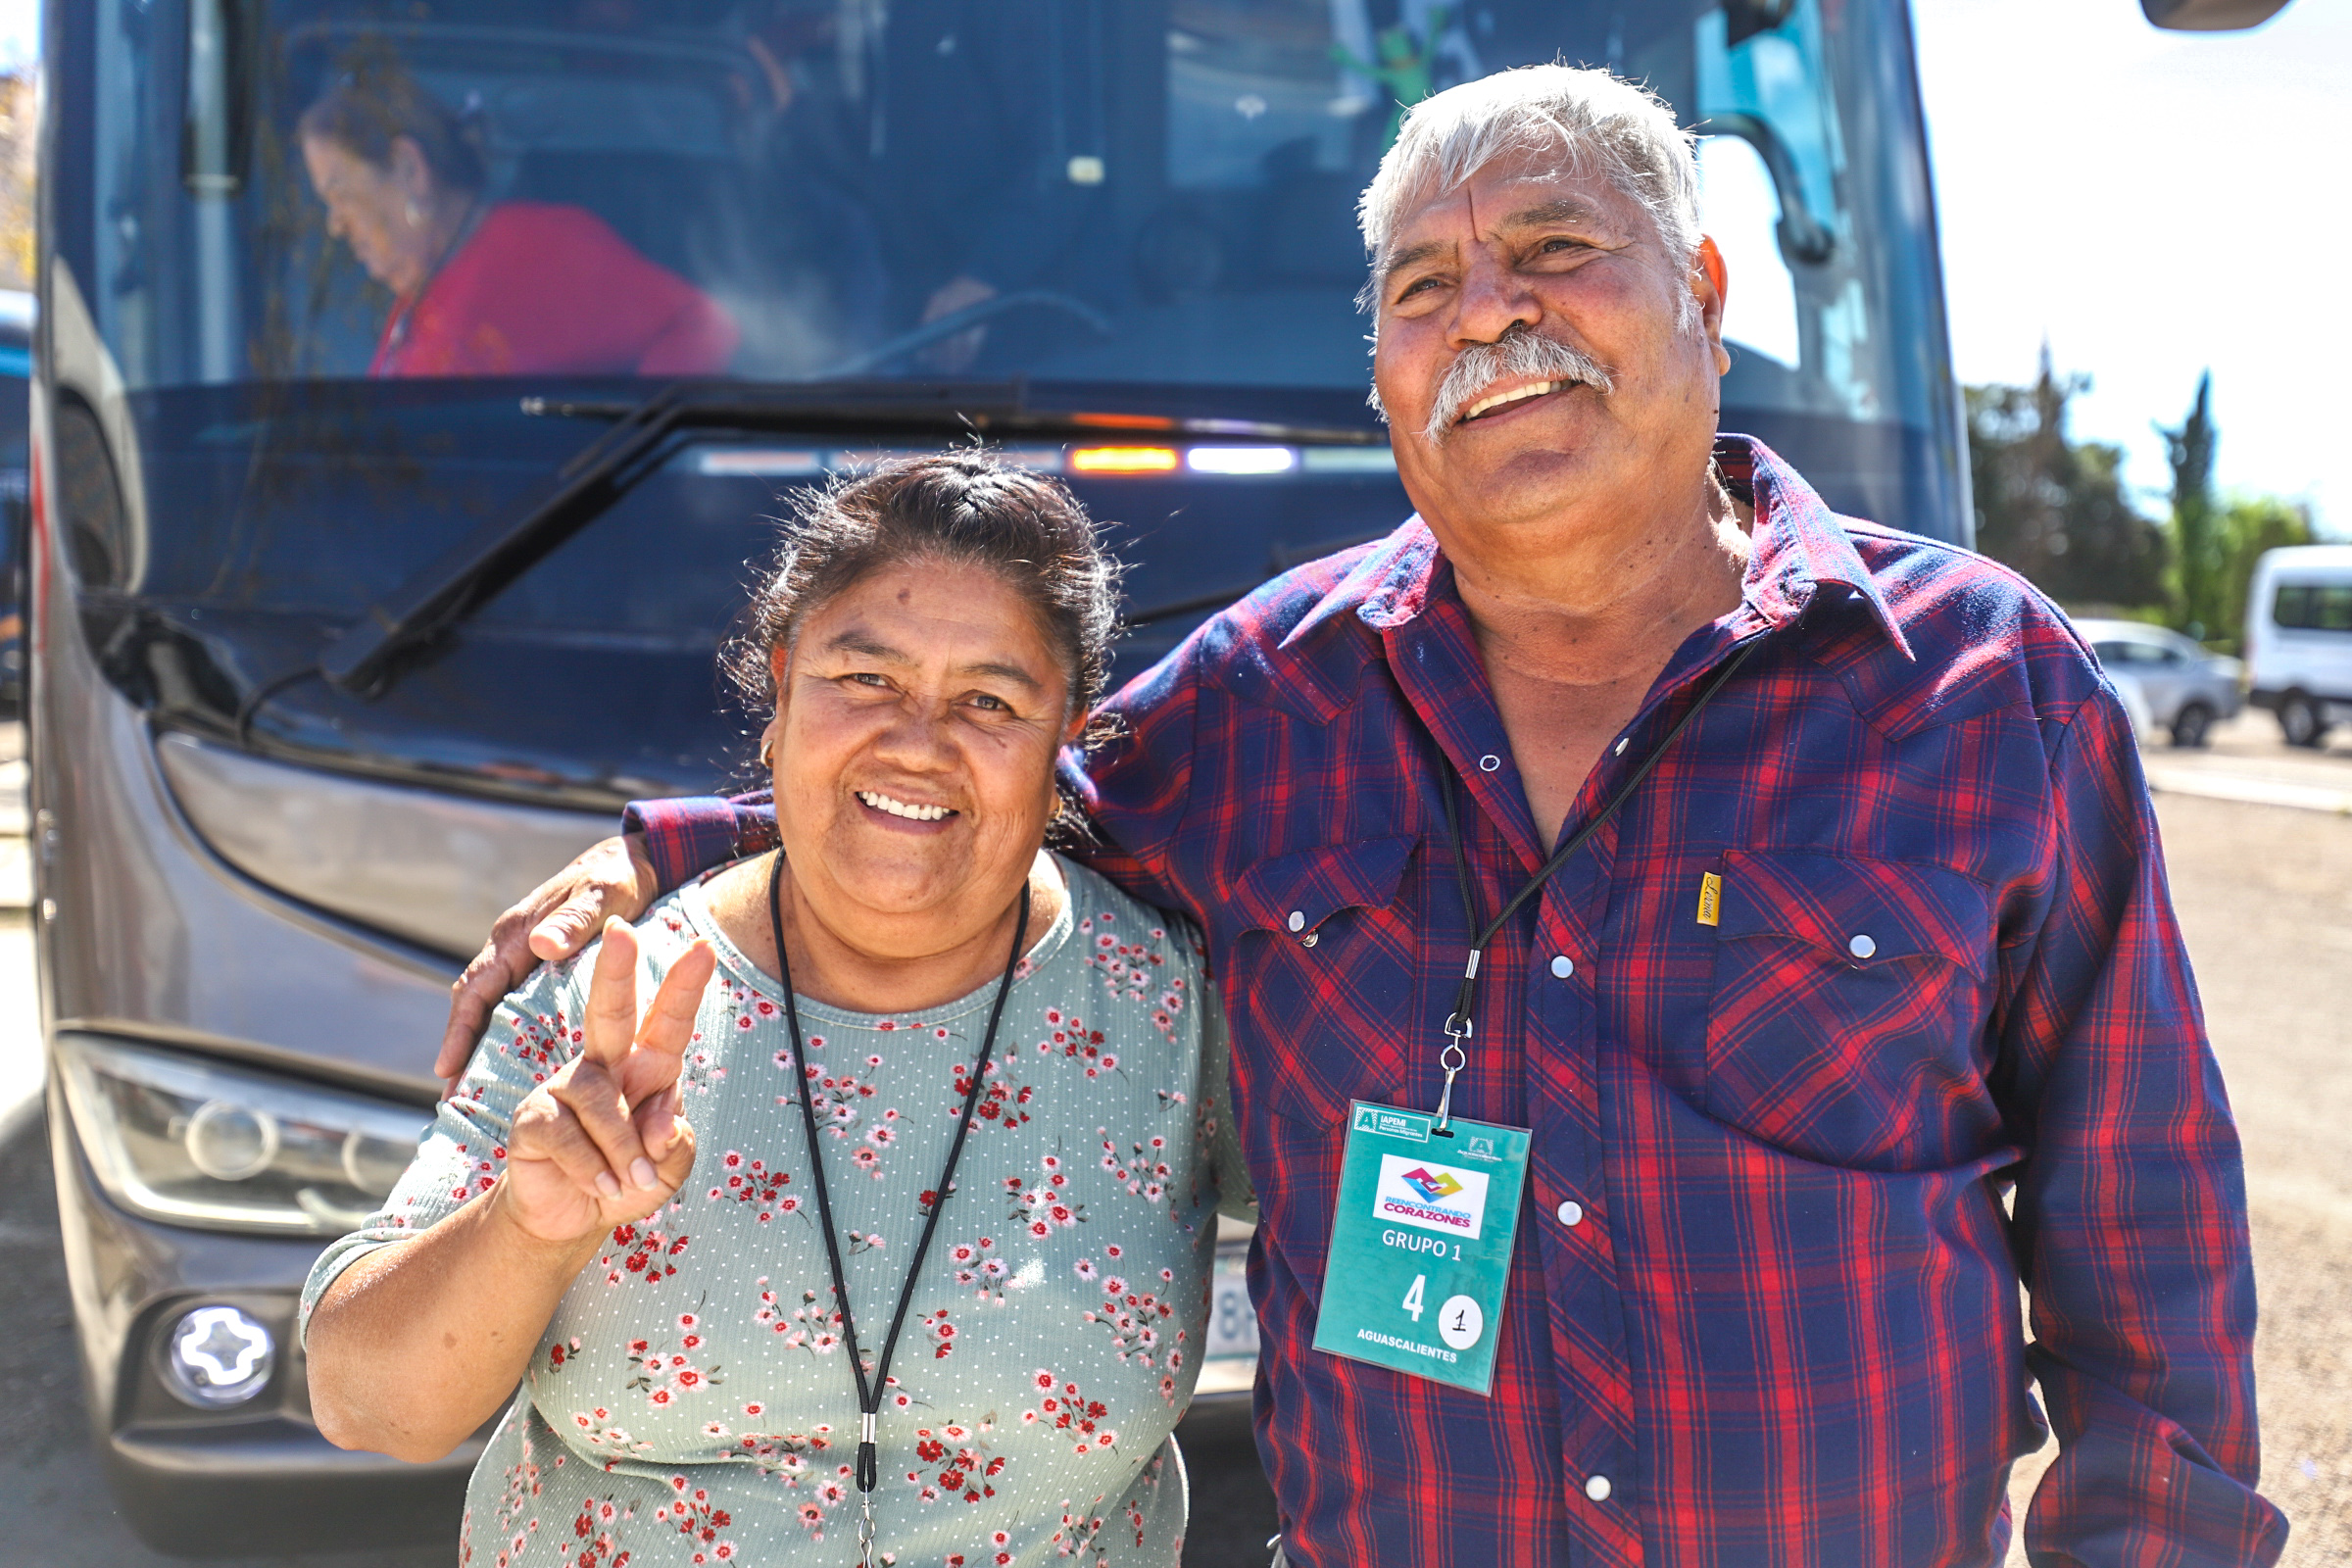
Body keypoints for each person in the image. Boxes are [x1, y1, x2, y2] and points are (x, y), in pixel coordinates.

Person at [447, 66, 2287, 1567]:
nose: (1491, 315)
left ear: (1709, 302)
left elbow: (2149, 1234)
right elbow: (997, 797)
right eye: (1426, 290)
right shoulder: (1274, 692)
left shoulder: (1982, 685)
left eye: (1558, 252)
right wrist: (666, 849)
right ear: (1388, 381)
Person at [305, 454, 1250, 1566]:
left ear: (1065, 747)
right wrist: (526, 1229)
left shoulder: (1172, 1007)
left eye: (989, 701)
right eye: (866, 679)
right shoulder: (610, 989)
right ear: (782, 686)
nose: (917, 739)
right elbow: (368, 1404)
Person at [298, 63, 739, 377]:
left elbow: (699, 326)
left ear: (410, 169)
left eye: (342, 195)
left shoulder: (540, 251)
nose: (335, 225)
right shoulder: (416, 294)